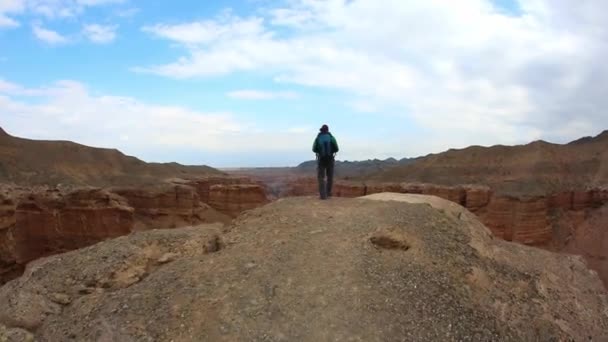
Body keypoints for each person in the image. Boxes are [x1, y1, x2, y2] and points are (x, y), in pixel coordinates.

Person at [312, 124, 339, 199]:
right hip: (330, 159)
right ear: (327, 130)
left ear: (321, 130)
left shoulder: (318, 138)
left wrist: (319, 151)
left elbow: (313, 149)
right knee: (330, 176)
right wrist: (331, 151)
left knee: (321, 177)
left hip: (321, 159)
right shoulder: (331, 137)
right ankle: (328, 193)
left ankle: (323, 196)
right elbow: (337, 148)